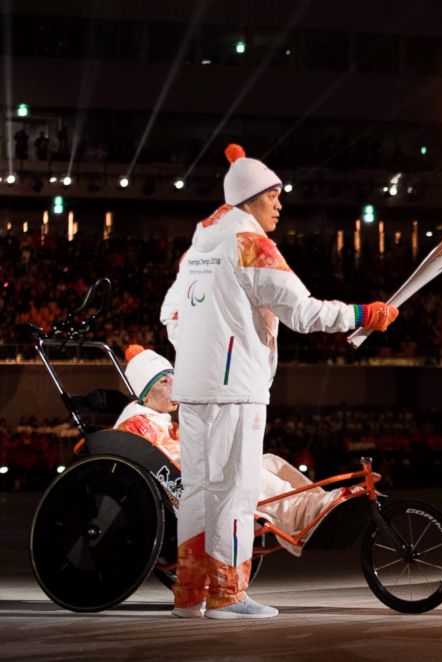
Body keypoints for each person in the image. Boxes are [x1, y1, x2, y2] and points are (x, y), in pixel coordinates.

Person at [160, 144, 398, 620]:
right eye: (273, 194)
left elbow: (170, 314)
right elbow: (303, 312)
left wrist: (200, 351)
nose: (280, 204)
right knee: (235, 489)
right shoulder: (251, 243)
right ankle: (228, 595)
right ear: (249, 199)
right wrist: (363, 314)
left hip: (192, 387)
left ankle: (190, 595)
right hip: (235, 390)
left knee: (199, 490)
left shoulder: (198, 249)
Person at [114, 345, 342, 558]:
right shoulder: (137, 424)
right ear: (143, 394)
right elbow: (176, 463)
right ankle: (304, 513)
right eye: (164, 382)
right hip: (187, 494)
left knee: (269, 461)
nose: (175, 387)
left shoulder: (162, 422)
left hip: (197, 478)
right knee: (242, 467)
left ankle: (316, 503)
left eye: (175, 379)